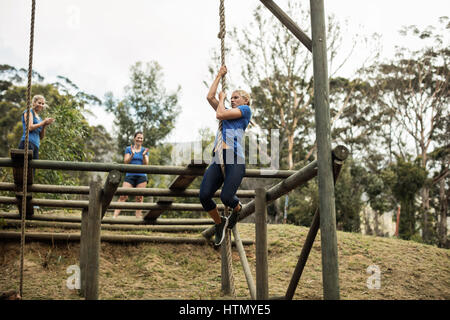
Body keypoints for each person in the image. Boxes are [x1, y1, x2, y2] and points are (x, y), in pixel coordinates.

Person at [199, 66, 252, 246]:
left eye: (236, 97)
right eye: (231, 98)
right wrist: (219, 75)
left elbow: (220, 113)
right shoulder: (227, 111)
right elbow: (209, 97)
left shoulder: (245, 111)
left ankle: (237, 208)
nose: (233, 100)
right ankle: (219, 222)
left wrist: (221, 100)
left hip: (235, 158)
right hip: (218, 158)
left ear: (245, 100)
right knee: (204, 195)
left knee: (227, 197)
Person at [113, 132, 149, 219]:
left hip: (142, 176)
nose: (139, 139)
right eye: (138, 137)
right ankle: (114, 217)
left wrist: (144, 156)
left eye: (141, 138)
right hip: (130, 175)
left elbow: (146, 164)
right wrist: (132, 154)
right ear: (134, 138)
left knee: (139, 198)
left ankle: (137, 219)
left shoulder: (145, 150)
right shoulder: (128, 149)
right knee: (123, 196)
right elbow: (126, 162)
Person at [18, 94, 55, 166]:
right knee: (24, 168)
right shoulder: (29, 112)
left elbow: (41, 137)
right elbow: (30, 127)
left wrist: (44, 125)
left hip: (36, 145)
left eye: (43, 104)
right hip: (27, 143)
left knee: (32, 171)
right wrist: (43, 122)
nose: (41, 105)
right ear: (34, 103)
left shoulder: (40, 119)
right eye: (39, 103)